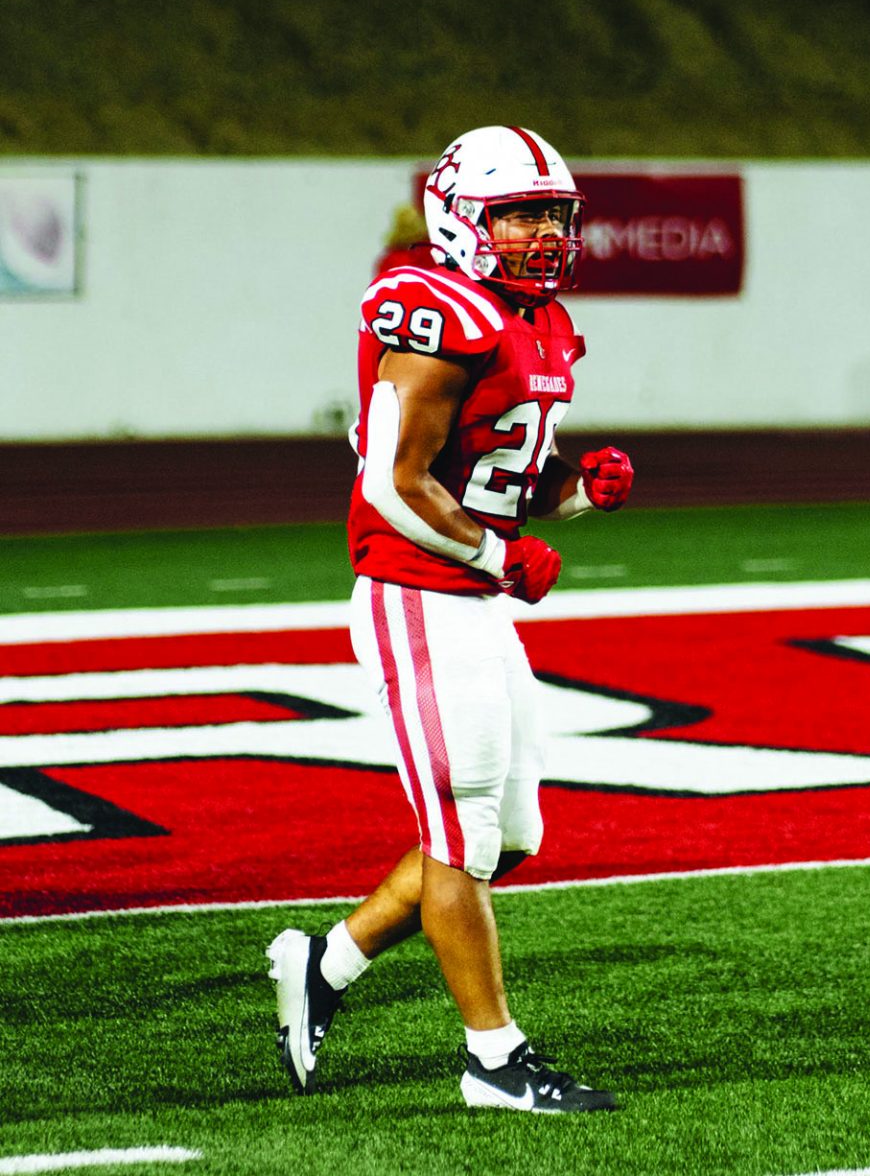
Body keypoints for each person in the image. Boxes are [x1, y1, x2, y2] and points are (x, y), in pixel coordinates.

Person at [267, 125, 633, 1113]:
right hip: (414, 593)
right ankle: (493, 1058)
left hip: (470, 598)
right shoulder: (434, 313)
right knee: (464, 829)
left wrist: (578, 496)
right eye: (516, 213)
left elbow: (508, 484)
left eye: (552, 213)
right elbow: (393, 485)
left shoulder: (542, 323)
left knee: (509, 837)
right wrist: (495, 556)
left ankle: (325, 965)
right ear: (461, 218)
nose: (540, 233)